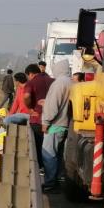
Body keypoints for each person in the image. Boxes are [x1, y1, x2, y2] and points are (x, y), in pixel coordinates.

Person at [41, 60, 72, 192]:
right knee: (59, 155)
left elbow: (53, 106)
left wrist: (45, 122)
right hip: (66, 124)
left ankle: (50, 183)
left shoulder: (58, 83)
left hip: (55, 124)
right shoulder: (71, 82)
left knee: (48, 154)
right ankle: (58, 179)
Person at [23, 64, 54, 162]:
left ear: (31, 74)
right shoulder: (52, 81)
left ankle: (40, 167)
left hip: (37, 119)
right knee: (52, 147)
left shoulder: (31, 83)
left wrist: (29, 108)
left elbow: (26, 96)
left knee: (39, 145)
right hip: (52, 119)